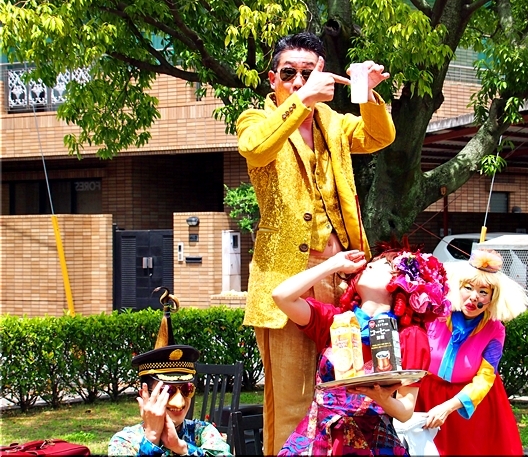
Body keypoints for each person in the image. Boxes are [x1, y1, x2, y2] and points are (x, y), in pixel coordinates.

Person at [235, 31, 396, 454]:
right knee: (293, 402)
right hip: (288, 280)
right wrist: (303, 99)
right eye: (288, 73)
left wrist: (368, 93)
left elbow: (379, 137)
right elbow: (254, 148)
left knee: (349, 392)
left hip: (345, 278)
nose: (298, 81)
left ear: (322, 71)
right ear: (272, 78)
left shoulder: (333, 122)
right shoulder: (256, 119)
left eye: (307, 73)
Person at [271, 248, 450, 455]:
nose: (369, 265)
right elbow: (281, 296)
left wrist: (382, 397)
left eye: (385, 264)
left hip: (373, 441)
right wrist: (333, 264)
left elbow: (405, 412)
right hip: (320, 437)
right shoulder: (334, 321)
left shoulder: (409, 335)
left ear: (403, 282)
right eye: (371, 262)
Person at [415, 248, 528, 456]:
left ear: (492, 298)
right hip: (426, 396)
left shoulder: (495, 330)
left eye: (483, 292)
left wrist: (449, 406)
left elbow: (486, 377)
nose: (474, 297)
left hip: (468, 404)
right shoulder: (436, 314)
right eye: (468, 288)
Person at [109, 290, 231, 456]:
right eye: (168, 391)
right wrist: (151, 439)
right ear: (145, 395)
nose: (179, 403)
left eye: (186, 389)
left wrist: (181, 448)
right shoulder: (125, 442)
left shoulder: (203, 433)